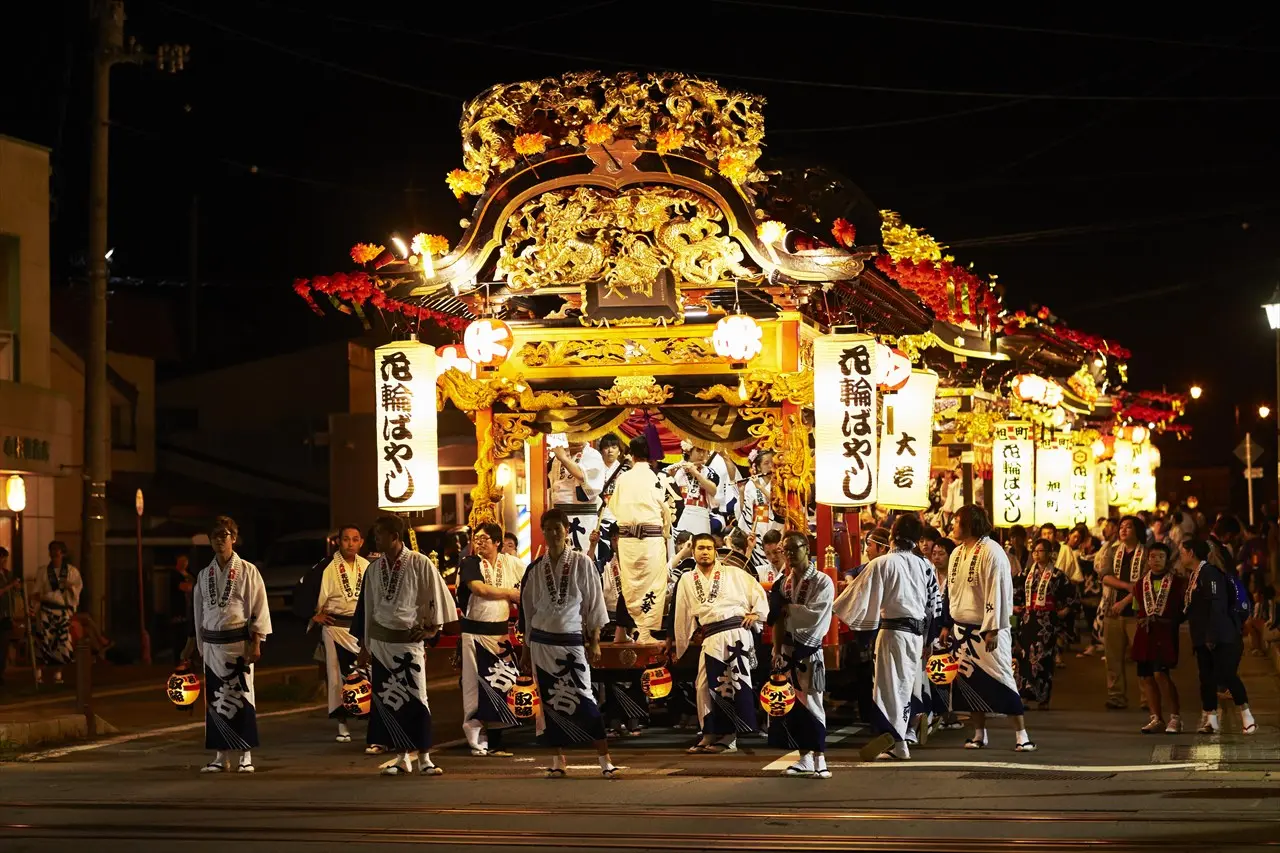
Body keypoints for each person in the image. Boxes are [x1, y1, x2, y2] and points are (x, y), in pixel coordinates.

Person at [352, 515, 457, 776]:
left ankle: (424, 757)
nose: (376, 540)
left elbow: (436, 595)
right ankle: (400, 756)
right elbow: (368, 609)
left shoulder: (419, 562)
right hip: (382, 643)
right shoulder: (374, 568)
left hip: (408, 642)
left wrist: (432, 627)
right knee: (388, 698)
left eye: (379, 535)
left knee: (417, 698)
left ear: (394, 537)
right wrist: (365, 648)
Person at [518, 509, 617, 778]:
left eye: (557, 529)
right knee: (549, 701)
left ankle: (604, 759)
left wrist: (594, 640)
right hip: (541, 643)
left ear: (566, 530)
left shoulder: (582, 563)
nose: (552, 534)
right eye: (547, 529)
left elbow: (593, 603)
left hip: (571, 640)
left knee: (584, 697)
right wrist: (526, 651)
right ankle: (557, 759)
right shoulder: (535, 568)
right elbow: (528, 613)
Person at [833, 515, 934, 760]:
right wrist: (929, 639)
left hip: (893, 633)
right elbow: (934, 605)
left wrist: (833, 607)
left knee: (891, 688)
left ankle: (899, 743)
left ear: (892, 536)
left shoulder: (883, 563)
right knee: (909, 684)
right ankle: (908, 732)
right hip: (917, 635)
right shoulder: (926, 565)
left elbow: (856, 598)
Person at [943, 505, 1035, 752]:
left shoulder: (992, 551)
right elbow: (951, 593)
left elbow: (998, 591)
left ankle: (1021, 734)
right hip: (962, 628)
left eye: (956, 521)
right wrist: (949, 625)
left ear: (969, 524)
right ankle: (979, 734)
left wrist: (993, 629)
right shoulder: (957, 553)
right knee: (969, 683)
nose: (952, 526)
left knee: (1002, 678)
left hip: (987, 629)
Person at [672, 532, 768, 754]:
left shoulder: (734, 573)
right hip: (711, 635)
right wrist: (680, 642)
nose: (704, 552)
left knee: (733, 685)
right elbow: (682, 613)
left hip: (735, 632)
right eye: (700, 548)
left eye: (708, 548)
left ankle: (730, 738)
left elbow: (759, 594)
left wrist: (756, 614)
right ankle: (709, 734)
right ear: (693, 551)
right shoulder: (687, 579)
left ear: (716, 551)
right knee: (703, 686)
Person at [191, 517, 271, 773]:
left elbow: (259, 607)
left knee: (243, 697)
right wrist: (197, 643)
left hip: (239, 643)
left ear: (234, 538)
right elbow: (198, 612)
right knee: (215, 700)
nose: (219, 539)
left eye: (224, 535)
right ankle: (220, 755)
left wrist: (256, 641)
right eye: (214, 535)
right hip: (213, 645)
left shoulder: (248, 571)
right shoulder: (204, 575)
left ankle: (245, 754)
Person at [767, 532, 835, 778]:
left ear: (806, 548)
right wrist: (776, 650)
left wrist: (789, 610)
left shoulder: (822, 581)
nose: (789, 555)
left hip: (809, 650)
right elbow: (776, 620)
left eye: (793, 549)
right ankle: (804, 757)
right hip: (787, 651)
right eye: (785, 551)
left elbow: (816, 615)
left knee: (814, 704)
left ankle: (820, 757)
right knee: (793, 707)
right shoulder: (782, 583)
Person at [457, 522, 523, 757]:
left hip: (500, 634)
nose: (480, 542)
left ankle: (496, 739)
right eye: (477, 538)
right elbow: (479, 589)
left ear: (497, 542)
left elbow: (529, 582)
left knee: (501, 684)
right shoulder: (470, 563)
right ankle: (476, 739)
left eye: (485, 538)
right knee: (474, 688)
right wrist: (510, 593)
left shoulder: (510, 563)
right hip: (475, 635)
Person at [1182, 539, 1257, 735]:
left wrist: (1212, 636)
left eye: (1182, 552)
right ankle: (1211, 720)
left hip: (1220, 636)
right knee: (1206, 678)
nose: (1180, 556)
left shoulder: (1210, 574)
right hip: (1202, 636)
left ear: (1191, 553)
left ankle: (1247, 716)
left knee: (1226, 676)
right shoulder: (1195, 575)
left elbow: (1217, 606)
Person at [608, 435, 673, 643]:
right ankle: (644, 632)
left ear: (631, 456)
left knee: (631, 585)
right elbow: (668, 511)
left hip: (627, 541)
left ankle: (626, 632)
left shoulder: (623, 478)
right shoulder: (657, 478)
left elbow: (614, 507)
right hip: (651, 539)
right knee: (652, 584)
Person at [313, 524, 368, 743]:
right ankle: (342, 723)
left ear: (361, 542)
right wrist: (315, 615)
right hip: (335, 627)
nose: (351, 543)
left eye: (355, 539)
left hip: (360, 627)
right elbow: (311, 594)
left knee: (366, 673)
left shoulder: (367, 566)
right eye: (346, 539)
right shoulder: (327, 567)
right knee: (337, 676)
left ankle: (369, 719)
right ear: (338, 541)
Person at [1015, 539, 1077, 710]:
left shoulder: (1058, 575)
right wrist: (1014, 605)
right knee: (1025, 657)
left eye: (1041, 551)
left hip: (1047, 622)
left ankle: (1043, 698)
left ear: (1050, 554)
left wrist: (1065, 609)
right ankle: (1024, 696)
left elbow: (1071, 595)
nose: (1036, 553)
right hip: (1028, 620)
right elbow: (1014, 590)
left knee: (1044, 658)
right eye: (1034, 550)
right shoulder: (1026, 573)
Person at [1131, 543, 1185, 733]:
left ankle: (1175, 718)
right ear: (1147, 560)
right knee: (1146, 676)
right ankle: (1156, 718)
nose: (1156, 560)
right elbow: (1137, 610)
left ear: (1167, 559)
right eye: (1153, 557)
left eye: (1161, 557)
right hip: (1145, 633)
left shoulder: (1177, 583)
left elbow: (1183, 610)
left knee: (1161, 674)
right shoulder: (1140, 584)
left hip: (1165, 633)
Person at [1100, 515, 1147, 710]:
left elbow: (1145, 581)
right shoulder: (1112, 552)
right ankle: (1116, 695)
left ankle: (1147, 698)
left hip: (1136, 613)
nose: (1123, 530)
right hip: (1113, 610)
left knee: (1143, 657)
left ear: (1137, 530)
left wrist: (1127, 599)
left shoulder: (1146, 553)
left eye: (1129, 527)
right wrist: (1127, 587)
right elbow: (1104, 576)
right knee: (1113, 657)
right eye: (1121, 527)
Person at [30, 541, 82, 685]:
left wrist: (69, 587)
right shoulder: (43, 571)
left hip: (62, 611)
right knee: (43, 642)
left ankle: (57, 674)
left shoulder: (71, 572)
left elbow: (77, 589)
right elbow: (36, 591)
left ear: (63, 553)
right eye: (52, 550)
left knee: (62, 643)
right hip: (46, 610)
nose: (54, 553)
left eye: (57, 550)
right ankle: (38, 675)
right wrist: (35, 605)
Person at [549, 435, 606, 552]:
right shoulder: (558, 457)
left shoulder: (593, 455)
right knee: (561, 556)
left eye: (579, 433)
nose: (575, 437)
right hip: (560, 515)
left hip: (583, 516)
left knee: (583, 556)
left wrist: (564, 459)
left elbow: (582, 476)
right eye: (572, 433)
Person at [672, 444, 721, 536]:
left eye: (705, 451)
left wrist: (696, 474)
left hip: (701, 515)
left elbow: (713, 491)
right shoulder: (675, 470)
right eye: (699, 450)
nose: (702, 455)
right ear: (688, 451)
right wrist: (670, 476)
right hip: (680, 514)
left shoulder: (709, 472)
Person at [0, 546, 18, 685]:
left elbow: (12, 594)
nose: (4, 561)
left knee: (4, 644)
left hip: (6, 614)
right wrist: (10, 586)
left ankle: (2, 672)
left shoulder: (7, 574)